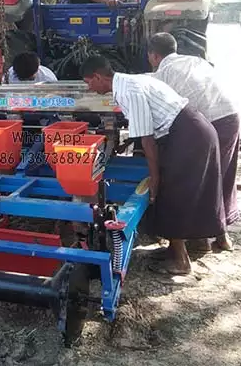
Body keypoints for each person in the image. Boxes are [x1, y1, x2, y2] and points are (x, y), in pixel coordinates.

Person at [81, 56, 225, 275]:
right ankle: (198, 243)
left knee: (170, 191)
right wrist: (128, 142)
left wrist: (155, 178)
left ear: (99, 77)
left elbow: (147, 139)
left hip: (188, 134)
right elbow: (147, 124)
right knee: (193, 189)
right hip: (194, 129)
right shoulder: (129, 82)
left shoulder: (128, 90)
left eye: (89, 82)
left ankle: (181, 261)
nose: (89, 88)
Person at [147, 32, 239, 252]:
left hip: (206, 124)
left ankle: (193, 241)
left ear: (154, 56)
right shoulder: (196, 60)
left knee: (189, 182)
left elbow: (159, 114)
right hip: (230, 116)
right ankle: (220, 237)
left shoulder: (163, 72)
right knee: (221, 176)